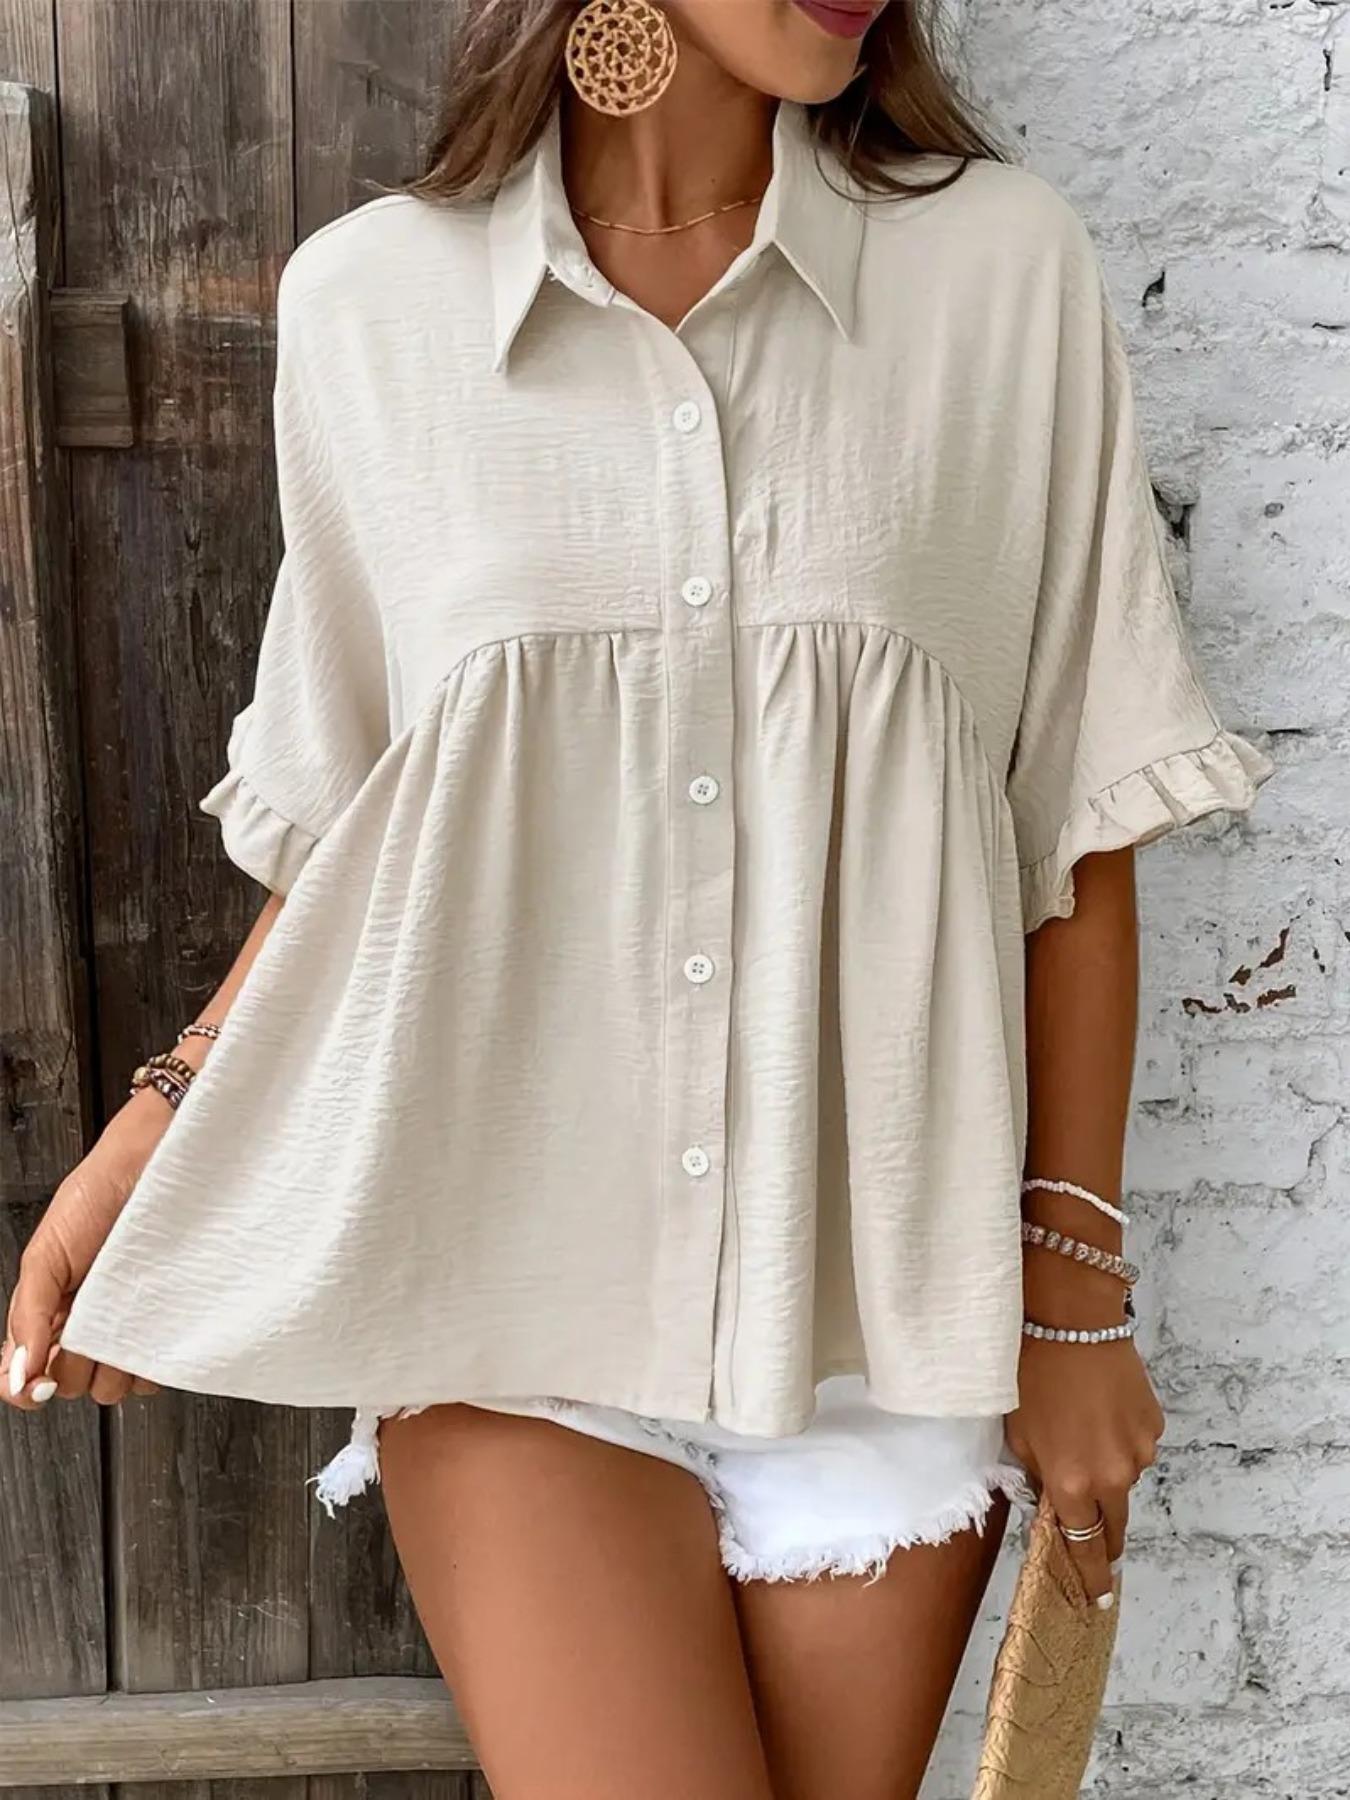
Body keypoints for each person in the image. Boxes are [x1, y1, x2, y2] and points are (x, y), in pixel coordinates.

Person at [3, 3, 1275, 1796]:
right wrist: (163, 1119)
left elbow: (1071, 820)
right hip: (503, 1292)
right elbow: (371, 836)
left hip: (885, 1316)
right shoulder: (375, 306)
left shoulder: (998, 273)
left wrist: (1075, 1297)